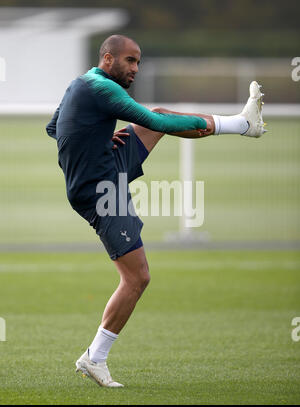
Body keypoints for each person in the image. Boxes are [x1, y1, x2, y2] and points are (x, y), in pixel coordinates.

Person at [46, 34, 265, 388]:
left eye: (138, 62)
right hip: (100, 189)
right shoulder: (103, 89)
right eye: (130, 61)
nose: (135, 69)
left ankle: (244, 124)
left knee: (157, 116)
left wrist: (98, 138)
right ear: (107, 59)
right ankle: (94, 358)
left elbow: (53, 127)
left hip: (106, 164)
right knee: (138, 278)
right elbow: (159, 125)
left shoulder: (81, 83)